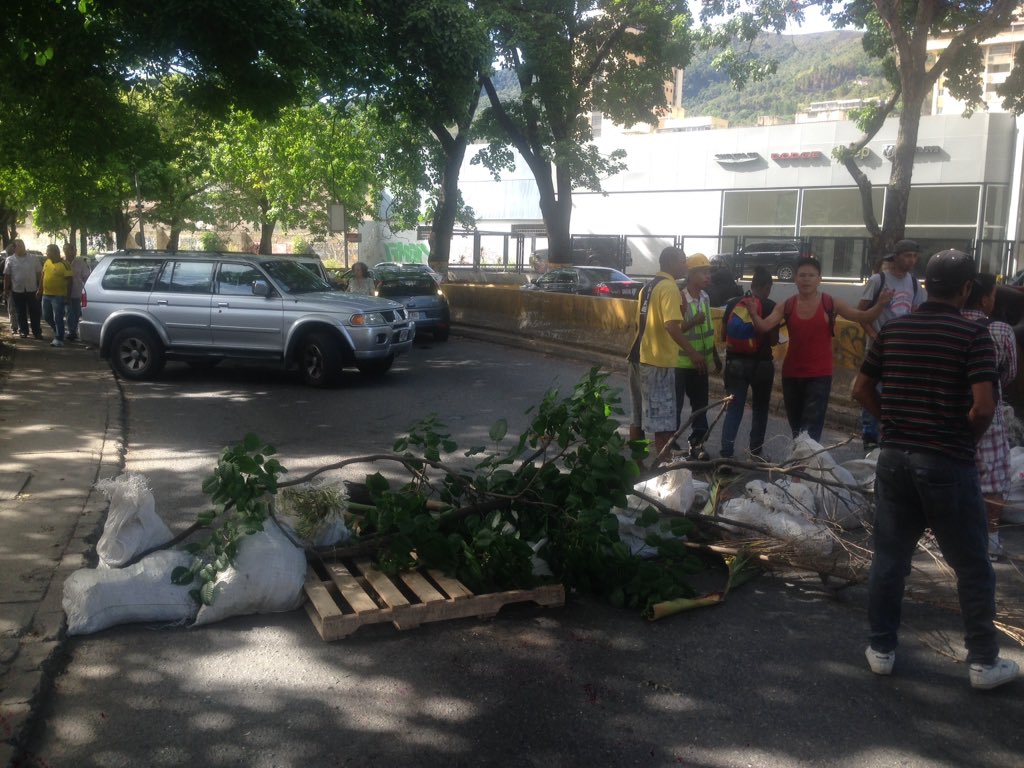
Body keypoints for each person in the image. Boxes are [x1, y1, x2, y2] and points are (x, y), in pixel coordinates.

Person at [852, 249, 1018, 690]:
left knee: (890, 558)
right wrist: (963, 437)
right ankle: (983, 661)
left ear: (925, 285)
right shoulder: (972, 335)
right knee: (972, 565)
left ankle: (882, 649)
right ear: (967, 290)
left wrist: (889, 421)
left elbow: (859, 388)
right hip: (947, 462)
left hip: (894, 459)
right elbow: (984, 406)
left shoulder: (896, 330)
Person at [749, 256, 892, 442]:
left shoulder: (830, 303)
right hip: (791, 375)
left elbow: (862, 317)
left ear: (819, 279)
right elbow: (764, 327)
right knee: (797, 428)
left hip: (819, 376)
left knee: (811, 429)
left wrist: (880, 304)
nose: (806, 279)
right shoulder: (786, 305)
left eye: (811, 275)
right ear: (795, 279)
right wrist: (753, 313)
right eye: (802, 275)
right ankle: (800, 464)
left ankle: (807, 466)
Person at [961, 272, 1017, 561]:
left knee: (951, 476)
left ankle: (949, 539)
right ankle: (990, 541)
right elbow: (1008, 373)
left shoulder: (946, 324)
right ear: (984, 299)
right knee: (992, 479)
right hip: (988, 415)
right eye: (993, 295)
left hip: (948, 416)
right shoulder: (1000, 331)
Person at [857, 239, 924, 450]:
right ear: (896, 257)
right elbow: (861, 312)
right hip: (878, 346)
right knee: (871, 388)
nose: (911, 260)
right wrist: (874, 336)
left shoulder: (914, 283)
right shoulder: (878, 280)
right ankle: (869, 434)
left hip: (902, 349)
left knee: (896, 391)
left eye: (914, 256)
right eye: (907, 255)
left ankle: (891, 432)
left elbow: (917, 312)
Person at [632, 246, 692, 460]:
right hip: (658, 362)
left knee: (638, 417)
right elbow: (671, 326)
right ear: (672, 263)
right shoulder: (669, 287)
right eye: (683, 261)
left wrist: (683, 313)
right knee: (663, 422)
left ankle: (636, 465)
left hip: (639, 356)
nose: (686, 265)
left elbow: (646, 323)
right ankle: (664, 473)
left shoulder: (647, 287)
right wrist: (693, 352)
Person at [719, 266, 778, 460]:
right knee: (760, 409)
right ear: (767, 286)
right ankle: (755, 452)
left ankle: (726, 454)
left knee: (734, 409)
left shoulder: (734, 303)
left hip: (735, 363)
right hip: (762, 365)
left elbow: (722, 334)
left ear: (751, 284)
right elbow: (773, 340)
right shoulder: (771, 306)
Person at [675, 253, 722, 460]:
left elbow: (707, 329)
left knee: (701, 405)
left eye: (709, 272)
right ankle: (671, 444)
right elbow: (674, 329)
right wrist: (694, 320)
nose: (708, 276)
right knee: (675, 405)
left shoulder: (705, 298)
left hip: (701, 362)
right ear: (691, 275)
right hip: (681, 362)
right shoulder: (680, 297)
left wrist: (714, 354)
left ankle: (697, 444)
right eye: (703, 272)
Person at [3, 239, 43, 339]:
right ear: (14, 248)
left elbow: (39, 274)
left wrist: (40, 288)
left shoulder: (33, 258)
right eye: (19, 246)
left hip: (32, 289)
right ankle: (23, 331)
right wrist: (5, 290)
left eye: (23, 245)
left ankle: (37, 332)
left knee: (35, 311)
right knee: (20, 312)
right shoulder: (10, 260)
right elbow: (7, 276)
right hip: (17, 290)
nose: (22, 247)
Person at [39, 244, 72, 347]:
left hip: (59, 296)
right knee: (46, 316)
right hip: (46, 295)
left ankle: (59, 338)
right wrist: (39, 290)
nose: (46, 253)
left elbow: (70, 281)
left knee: (58, 317)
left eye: (48, 251)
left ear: (55, 253)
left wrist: (68, 297)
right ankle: (59, 331)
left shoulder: (65, 264)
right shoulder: (47, 262)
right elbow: (42, 275)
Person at [64, 242, 91, 342]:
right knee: (67, 312)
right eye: (68, 250)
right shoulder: (62, 263)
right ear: (64, 251)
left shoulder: (80, 263)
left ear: (75, 251)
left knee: (74, 313)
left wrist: (87, 291)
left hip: (77, 292)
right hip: (63, 292)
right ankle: (69, 331)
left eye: (72, 250)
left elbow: (87, 278)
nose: (70, 252)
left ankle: (72, 331)